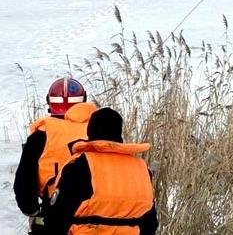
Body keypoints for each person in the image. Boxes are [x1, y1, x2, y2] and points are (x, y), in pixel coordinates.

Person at [46, 107, 158, 235]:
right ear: (119, 132)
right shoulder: (140, 168)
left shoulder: (80, 164)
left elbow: (57, 215)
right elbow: (150, 223)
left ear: (89, 131)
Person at [14, 77, 96, 234]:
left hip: (52, 214)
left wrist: (32, 210)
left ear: (49, 102)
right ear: (83, 99)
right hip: (98, 215)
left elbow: (24, 180)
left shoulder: (41, 136)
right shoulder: (99, 130)